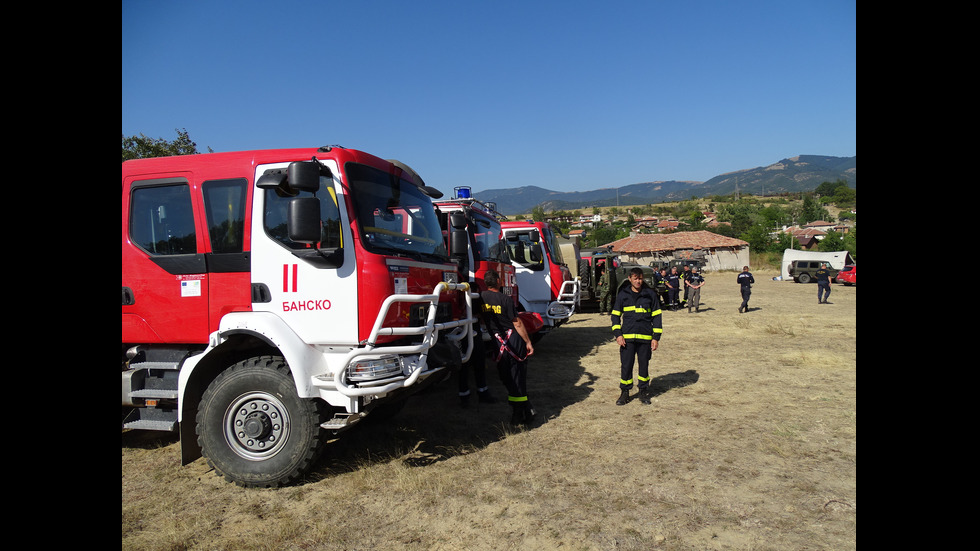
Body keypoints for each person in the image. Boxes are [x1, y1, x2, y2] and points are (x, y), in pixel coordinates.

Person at [480, 270, 536, 425]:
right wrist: (528, 342)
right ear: (498, 281)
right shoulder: (505, 299)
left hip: (498, 345)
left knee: (506, 377)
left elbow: (481, 319)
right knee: (517, 377)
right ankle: (521, 413)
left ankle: (524, 409)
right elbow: (517, 323)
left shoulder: (481, 299)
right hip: (514, 343)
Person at [611, 267, 663, 405]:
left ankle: (643, 391)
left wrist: (656, 337)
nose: (638, 281)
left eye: (640, 278)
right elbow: (615, 316)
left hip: (645, 338)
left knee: (644, 366)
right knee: (626, 365)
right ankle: (625, 393)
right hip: (627, 339)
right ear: (630, 279)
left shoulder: (650, 294)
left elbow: (657, 316)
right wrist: (618, 335)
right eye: (635, 279)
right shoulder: (623, 294)